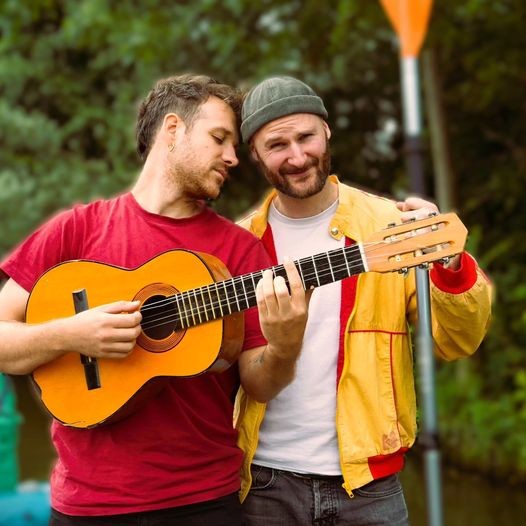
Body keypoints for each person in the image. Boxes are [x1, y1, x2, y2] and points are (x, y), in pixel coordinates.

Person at [0, 74, 310, 525]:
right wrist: (73, 333)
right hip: (87, 506)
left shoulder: (240, 250)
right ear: (172, 130)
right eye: (219, 138)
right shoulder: (77, 229)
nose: (231, 157)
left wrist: (286, 344)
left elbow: (260, 383)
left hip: (204, 502)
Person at [235, 76, 492, 525]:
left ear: (327, 132)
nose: (297, 156)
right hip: (263, 483)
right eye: (277, 145)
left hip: (369, 487)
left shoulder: (390, 225)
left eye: (306, 136)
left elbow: (459, 340)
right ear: (255, 153)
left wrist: (449, 265)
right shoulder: (238, 243)